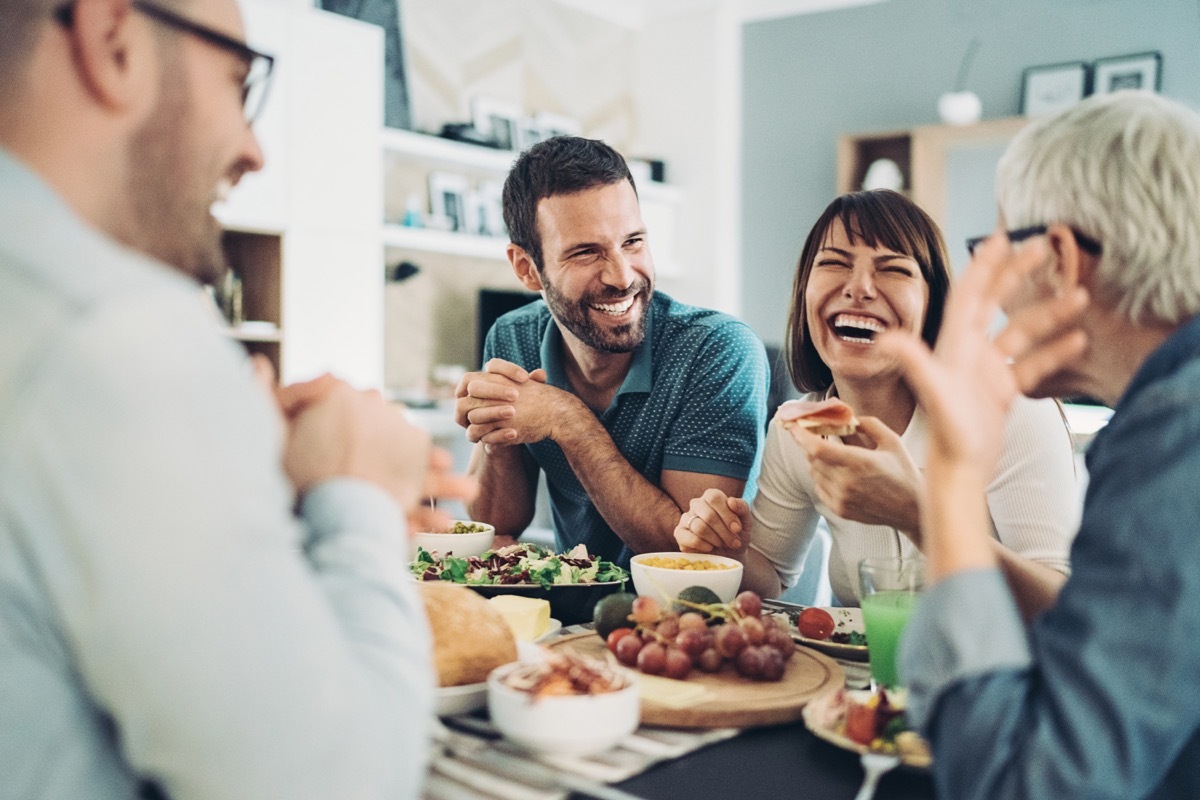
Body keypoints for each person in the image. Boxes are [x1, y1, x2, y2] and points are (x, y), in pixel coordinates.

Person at [0, 1, 471, 798]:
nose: (254, 150)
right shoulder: (117, 332)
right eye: (238, 82)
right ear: (114, 41)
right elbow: (337, 786)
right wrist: (354, 493)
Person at [883, 90, 1200, 799]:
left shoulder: (1176, 434)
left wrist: (953, 481)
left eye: (993, 254)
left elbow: (1026, 783)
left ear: (1057, 256)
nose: (990, 296)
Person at [673, 190, 1077, 619]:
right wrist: (730, 550)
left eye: (893, 269)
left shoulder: (1006, 407)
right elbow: (770, 577)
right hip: (871, 682)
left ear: (933, 302)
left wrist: (920, 517)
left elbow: (1060, 604)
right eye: (834, 263)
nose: (859, 288)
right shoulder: (797, 432)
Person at [455, 136, 769, 567]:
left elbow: (691, 557)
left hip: (691, 621)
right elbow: (497, 521)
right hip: (574, 620)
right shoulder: (512, 338)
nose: (622, 276)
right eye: (586, 252)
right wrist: (498, 434)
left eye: (633, 242)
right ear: (527, 268)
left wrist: (569, 422)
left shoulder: (717, 351)